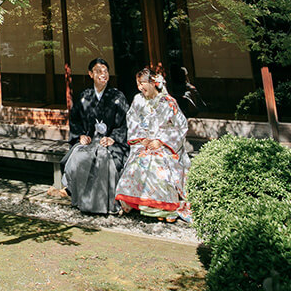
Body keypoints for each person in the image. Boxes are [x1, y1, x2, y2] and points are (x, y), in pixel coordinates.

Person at [114, 66, 192, 222]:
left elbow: (181, 126)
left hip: (165, 146)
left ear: (153, 82)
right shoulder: (138, 100)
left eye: (142, 83)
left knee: (158, 164)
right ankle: (143, 204)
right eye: (138, 84)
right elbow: (132, 121)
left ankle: (164, 207)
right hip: (144, 145)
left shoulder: (168, 102)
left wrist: (161, 141)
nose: (140, 87)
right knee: (138, 162)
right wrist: (142, 140)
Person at [60, 57, 129, 214]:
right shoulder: (85, 96)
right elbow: (75, 119)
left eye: (105, 71)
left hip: (111, 142)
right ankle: (79, 198)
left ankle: (101, 204)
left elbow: (127, 122)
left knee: (104, 158)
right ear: (90, 74)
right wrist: (81, 136)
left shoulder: (117, 97)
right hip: (91, 140)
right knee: (78, 156)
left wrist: (114, 138)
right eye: (98, 71)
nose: (103, 74)